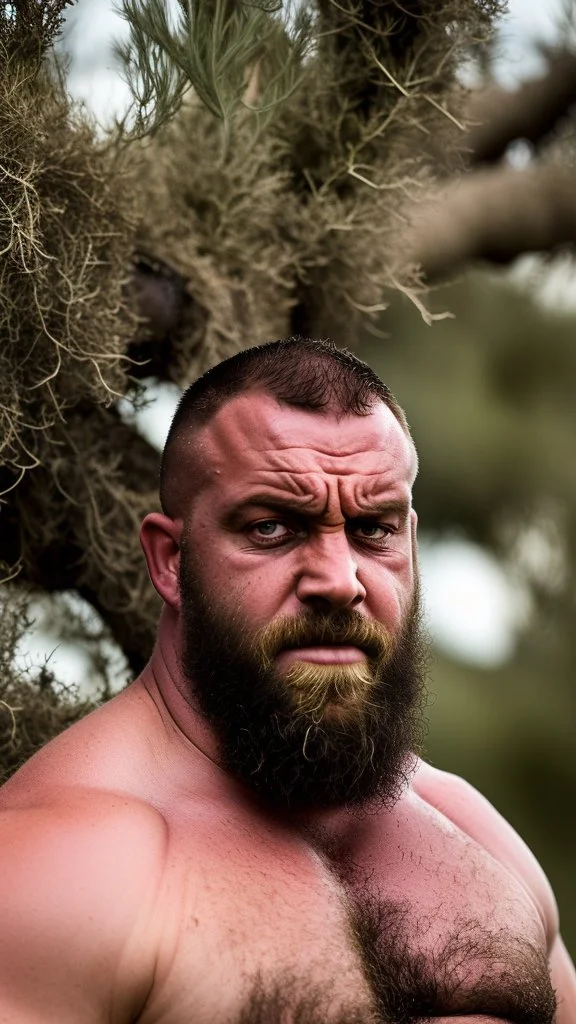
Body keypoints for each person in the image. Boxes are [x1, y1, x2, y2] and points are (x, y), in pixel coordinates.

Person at [0, 336, 573, 1024]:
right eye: (273, 527)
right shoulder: (58, 870)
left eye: (372, 529)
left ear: (411, 543)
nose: (338, 580)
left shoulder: (473, 832)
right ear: (169, 561)